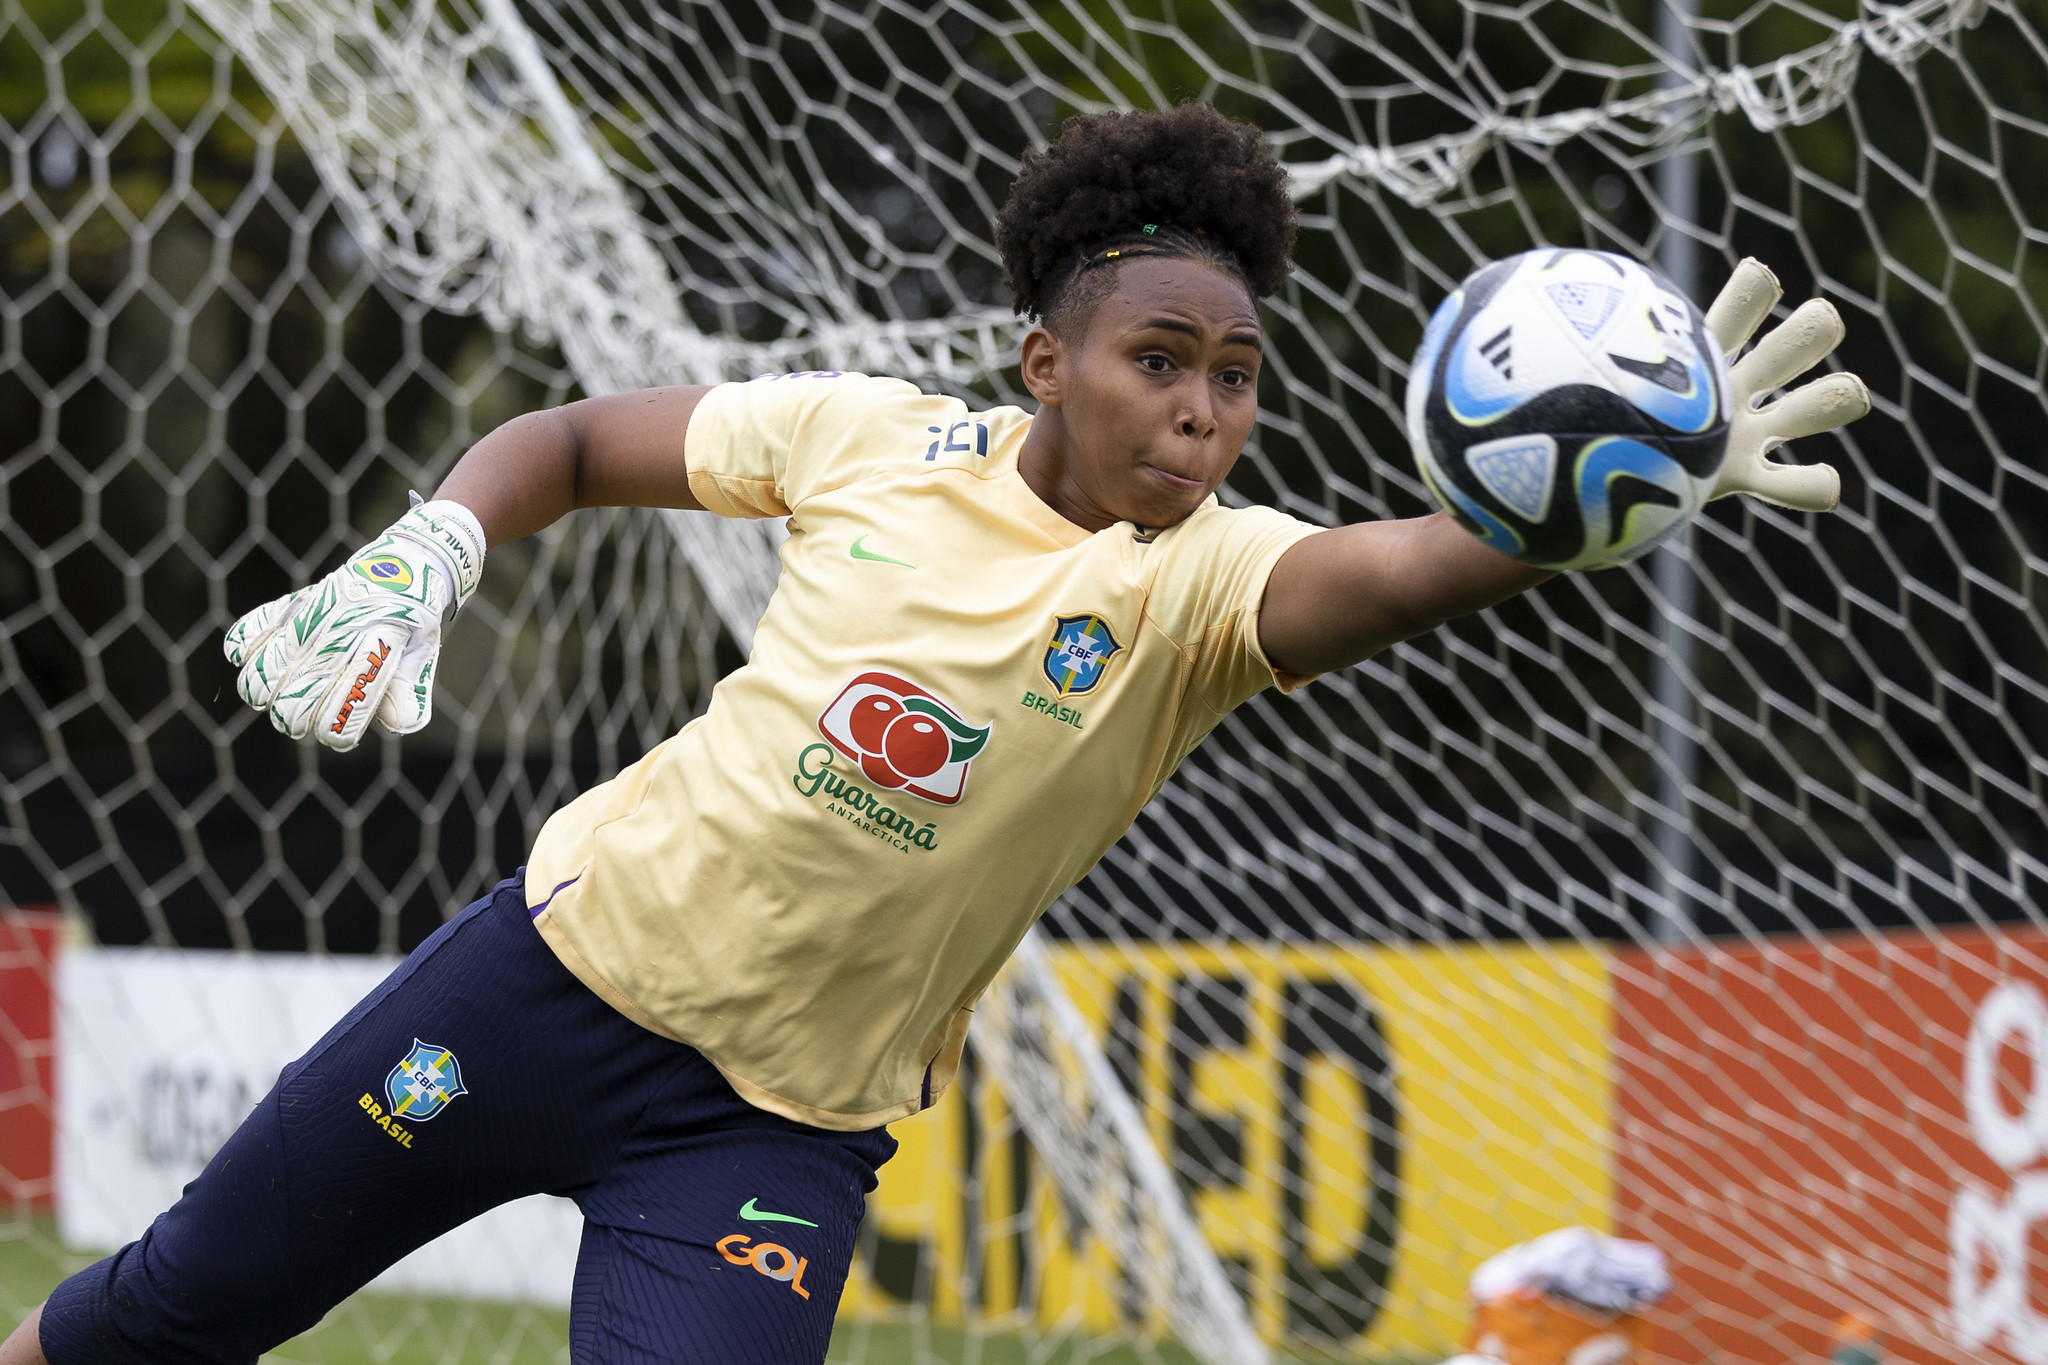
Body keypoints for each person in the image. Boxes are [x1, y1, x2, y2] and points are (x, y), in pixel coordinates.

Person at [1, 103, 1867, 1365]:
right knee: (163, 1318)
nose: (1205, 411)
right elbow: (571, 443)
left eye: (1237, 378)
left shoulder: (1205, 588)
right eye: (1162, 362)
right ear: (1048, 360)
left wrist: (1596, 493)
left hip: (763, 1136)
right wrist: (435, 543)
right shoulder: (865, 438)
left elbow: (1385, 573)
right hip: (542, 983)